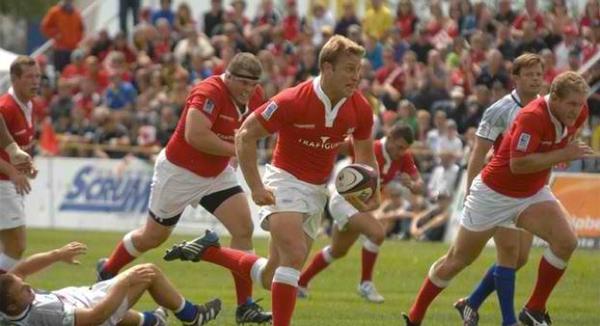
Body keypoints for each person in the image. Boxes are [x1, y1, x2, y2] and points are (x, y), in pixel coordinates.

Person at [163, 35, 380, 326]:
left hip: (316, 191)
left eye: (358, 70)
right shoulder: (292, 100)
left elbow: (365, 156)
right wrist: (256, 187)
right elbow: (245, 135)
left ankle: (210, 251)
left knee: (271, 276)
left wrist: (371, 192)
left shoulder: (361, 108)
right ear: (327, 68)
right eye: (349, 69)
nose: (356, 77)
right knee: (295, 254)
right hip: (284, 181)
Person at [403, 71, 592, 326]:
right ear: (554, 98)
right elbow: (518, 164)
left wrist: (560, 152)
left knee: (566, 241)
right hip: (493, 194)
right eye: (571, 104)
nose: (576, 110)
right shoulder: (532, 116)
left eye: (580, 103)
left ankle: (534, 309)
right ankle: (416, 315)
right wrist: (561, 154)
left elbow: (554, 147)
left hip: (531, 193)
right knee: (458, 260)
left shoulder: (579, 113)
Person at [95, 53, 272, 324]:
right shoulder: (209, 91)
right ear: (229, 77)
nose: (248, 90)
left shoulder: (255, 95)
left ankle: (244, 306)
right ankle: (108, 270)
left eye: (253, 84)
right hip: (179, 172)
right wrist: (237, 148)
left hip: (216, 173)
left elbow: (259, 128)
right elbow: (195, 134)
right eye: (243, 83)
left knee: (243, 229)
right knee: (153, 237)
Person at [454, 53, 546, 325]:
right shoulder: (499, 109)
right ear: (516, 79)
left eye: (539, 73)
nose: (536, 78)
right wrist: (471, 188)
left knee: (520, 258)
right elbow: (479, 150)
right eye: (529, 74)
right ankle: (509, 321)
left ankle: (470, 303)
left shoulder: (546, 107)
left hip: (530, 189)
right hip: (500, 188)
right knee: (507, 252)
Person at [298, 123, 423, 303]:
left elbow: (420, 186)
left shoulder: (404, 157)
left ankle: (300, 283)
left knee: (337, 251)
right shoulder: (370, 146)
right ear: (390, 137)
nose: (401, 152)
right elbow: (333, 143)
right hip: (343, 200)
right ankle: (365, 284)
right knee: (377, 233)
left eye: (405, 149)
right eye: (399, 146)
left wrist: (411, 184)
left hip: (359, 206)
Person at [0, 242, 221, 326]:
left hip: (84, 302)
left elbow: (21, 271)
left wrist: (57, 253)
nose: (28, 286)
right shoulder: (43, 312)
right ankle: (192, 316)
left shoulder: (8, 306)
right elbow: (96, 317)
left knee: (125, 313)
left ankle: (155, 321)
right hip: (93, 311)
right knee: (148, 272)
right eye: (23, 289)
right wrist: (122, 283)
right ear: (11, 306)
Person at [0, 56, 40, 274]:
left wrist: (27, 166)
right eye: (29, 77)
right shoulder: (5, 107)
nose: (35, 82)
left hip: (10, 184)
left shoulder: (29, 105)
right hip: (3, 183)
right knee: (16, 246)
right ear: (14, 79)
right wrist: (13, 173)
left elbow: (21, 145)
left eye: (38, 76)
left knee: (8, 247)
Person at [40, 0, 85, 72]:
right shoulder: (55, 11)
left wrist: (76, 40)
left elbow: (81, 30)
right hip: (60, 50)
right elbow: (45, 27)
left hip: (73, 50)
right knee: (58, 73)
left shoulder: (77, 14)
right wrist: (56, 34)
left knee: (72, 73)